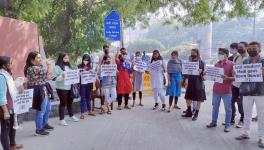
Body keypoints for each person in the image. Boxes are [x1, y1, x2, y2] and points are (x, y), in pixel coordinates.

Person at [235, 42, 264, 148]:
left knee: (262, 116)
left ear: (259, 49)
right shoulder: (245, 61)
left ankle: (261, 137)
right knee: (246, 114)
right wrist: (236, 74)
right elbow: (241, 75)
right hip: (246, 91)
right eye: (250, 48)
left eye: (254, 48)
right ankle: (245, 133)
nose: (252, 50)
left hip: (261, 92)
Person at [24, 51, 54, 136]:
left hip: (44, 88)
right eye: (38, 57)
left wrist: (48, 68)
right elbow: (48, 73)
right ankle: (39, 129)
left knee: (48, 108)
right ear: (32, 60)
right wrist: (49, 65)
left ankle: (44, 124)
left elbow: (48, 77)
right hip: (38, 90)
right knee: (41, 110)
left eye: (40, 57)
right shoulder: (32, 68)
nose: (40, 59)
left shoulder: (39, 67)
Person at [206, 48, 234, 132]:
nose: (220, 55)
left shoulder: (232, 64)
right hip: (216, 90)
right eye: (219, 53)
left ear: (226, 54)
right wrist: (206, 74)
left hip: (227, 91)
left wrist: (227, 77)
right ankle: (213, 122)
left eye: (221, 53)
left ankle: (227, 125)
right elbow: (212, 76)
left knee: (228, 109)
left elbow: (235, 77)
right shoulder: (216, 64)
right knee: (215, 107)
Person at [0, 56, 23, 150]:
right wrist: (5, 111)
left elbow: (11, 89)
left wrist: (18, 85)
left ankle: (12, 144)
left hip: (12, 105)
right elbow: (1, 95)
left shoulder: (7, 74)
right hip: (5, 107)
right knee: (5, 129)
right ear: (3, 65)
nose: (11, 65)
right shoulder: (1, 76)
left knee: (13, 126)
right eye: (9, 63)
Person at [53, 53, 79, 126]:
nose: (67, 60)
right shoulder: (57, 67)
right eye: (65, 58)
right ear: (61, 58)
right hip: (61, 88)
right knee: (63, 103)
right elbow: (54, 78)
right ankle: (61, 119)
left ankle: (71, 116)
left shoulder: (69, 66)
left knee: (70, 103)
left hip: (70, 87)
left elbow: (73, 75)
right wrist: (62, 76)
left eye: (67, 58)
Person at [182, 49, 206, 121]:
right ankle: (189, 111)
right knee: (188, 97)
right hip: (190, 82)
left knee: (198, 99)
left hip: (199, 82)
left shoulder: (201, 62)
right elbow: (185, 72)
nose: (192, 54)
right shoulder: (189, 62)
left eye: (194, 53)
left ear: (197, 53)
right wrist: (183, 70)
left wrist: (202, 72)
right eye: (191, 53)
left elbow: (205, 73)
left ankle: (196, 114)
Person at [231, 42, 248, 128]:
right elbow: (233, 69)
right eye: (238, 47)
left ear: (246, 47)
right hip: (235, 84)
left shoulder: (249, 58)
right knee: (231, 102)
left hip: (244, 86)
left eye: (241, 47)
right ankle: (232, 118)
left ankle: (242, 119)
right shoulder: (236, 57)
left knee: (241, 104)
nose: (239, 48)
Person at [78, 54, 95, 119]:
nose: (86, 61)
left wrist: (92, 72)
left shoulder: (90, 66)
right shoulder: (79, 66)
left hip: (89, 84)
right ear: (82, 60)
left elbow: (93, 75)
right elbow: (77, 74)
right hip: (82, 85)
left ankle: (89, 111)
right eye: (84, 60)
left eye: (87, 60)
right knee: (83, 98)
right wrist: (80, 71)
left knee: (88, 98)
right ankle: (82, 113)